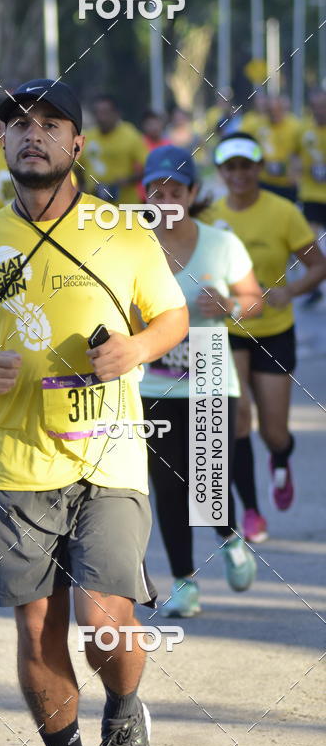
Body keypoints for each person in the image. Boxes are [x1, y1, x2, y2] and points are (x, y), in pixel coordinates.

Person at [0, 78, 188, 746]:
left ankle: (126, 710)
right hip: (18, 466)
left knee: (104, 620)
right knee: (36, 630)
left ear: (77, 144)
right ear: (0, 145)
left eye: (50, 123)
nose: (31, 134)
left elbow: (171, 316)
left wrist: (136, 346)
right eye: (16, 124)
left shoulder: (123, 231)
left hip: (108, 459)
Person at [140, 146, 262, 617]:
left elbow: (255, 299)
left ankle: (230, 538)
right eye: (157, 190)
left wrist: (230, 305)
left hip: (210, 367)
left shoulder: (221, 243)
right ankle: (184, 583)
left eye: (175, 190)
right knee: (169, 484)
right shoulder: (132, 244)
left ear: (192, 193)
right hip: (153, 377)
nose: (166, 199)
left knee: (208, 481)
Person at [201, 133, 326, 541]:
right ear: (221, 172)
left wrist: (289, 290)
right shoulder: (210, 216)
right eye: (230, 167)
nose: (239, 174)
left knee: (274, 431)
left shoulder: (283, 212)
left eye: (246, 166)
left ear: (258, 169)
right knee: (236, 420)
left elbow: (317, 266)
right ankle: (252, 510)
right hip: (228, 331)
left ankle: (280, 459)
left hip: (273, 331)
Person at [78, 93, 147, 204]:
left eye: (105, 113)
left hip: (125, 208)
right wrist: (82, 187)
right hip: (93, 207)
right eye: (97, 113)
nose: (101, 117)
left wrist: (128, 180)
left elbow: (147, 167)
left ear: (117, 114)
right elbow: (76, 166)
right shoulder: (88, 137)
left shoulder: (130, 135)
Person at [299, 91, 326, 307]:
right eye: (316, 106)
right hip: (311, 194)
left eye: (323, 106)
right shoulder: (305, 130)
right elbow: (293, 155)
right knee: (310, 242)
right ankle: (314, 286)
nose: (320, 110)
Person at [250, 96, 301, 202]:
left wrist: (296, 173)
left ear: (283, 109)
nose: (274, 114)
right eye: (270, 111)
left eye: (277, 110)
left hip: (287, 184)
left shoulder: (295, 126)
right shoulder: (258, 126)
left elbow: (300, 153)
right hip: (265, 182)